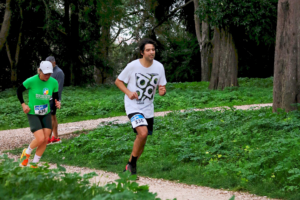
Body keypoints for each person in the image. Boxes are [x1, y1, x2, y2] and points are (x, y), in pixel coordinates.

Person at [115, 38, 167, 177]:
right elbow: (118, 81)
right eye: (148, 50)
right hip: (133, 106)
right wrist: (129, 93)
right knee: (142, 133)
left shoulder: (159, 67)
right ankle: (132, 166)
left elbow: (162, 88)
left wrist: (163, 92)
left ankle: (130, 165)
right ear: (142, 52)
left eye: (153, 50)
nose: (151, 52)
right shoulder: (133, 66)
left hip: (148, 107)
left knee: (143, 142)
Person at [17, 61, 61, 167]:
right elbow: (19, 90)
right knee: (40, 138)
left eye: (49, 74)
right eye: (45, 73)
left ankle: (34, 164)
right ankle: (26, 153)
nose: (47, 76)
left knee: (46, 139)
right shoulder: (31, 80)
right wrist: (23, 104)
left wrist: (57, 102)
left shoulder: (53, 82)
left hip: (45, 113)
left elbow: (55, 96)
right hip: (33, 113)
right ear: (39, 71)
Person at [45, 56, 65, 144]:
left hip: (54, 98)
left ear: (54, 63)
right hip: (46, 97)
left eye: (49, 64)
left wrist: (57, 100)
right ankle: (49, 137)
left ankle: (56, 137)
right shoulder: (49, 72)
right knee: (48, 117)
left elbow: (59, 87)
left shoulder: (59, 72)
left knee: (52, 116)